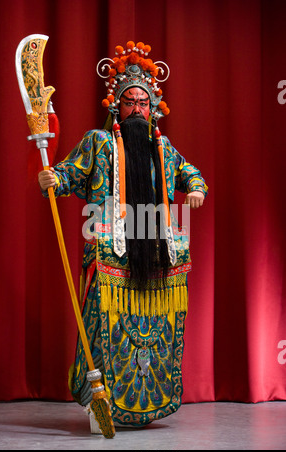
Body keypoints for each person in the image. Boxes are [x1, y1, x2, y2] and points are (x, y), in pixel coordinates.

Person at [38, 41, 208, 429]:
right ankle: (103, 404)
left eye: (143, 102)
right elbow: (67, 174)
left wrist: (196, 188)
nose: (136, 108)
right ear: (116, 105)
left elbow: (190, 173)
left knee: (157, 335)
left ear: (153, 108)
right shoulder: (97, 144)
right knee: (106, 334)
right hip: (111, 255)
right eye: (129, 101)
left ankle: (150, 402)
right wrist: (53, 177)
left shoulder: (162, 147)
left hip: (159, 255)